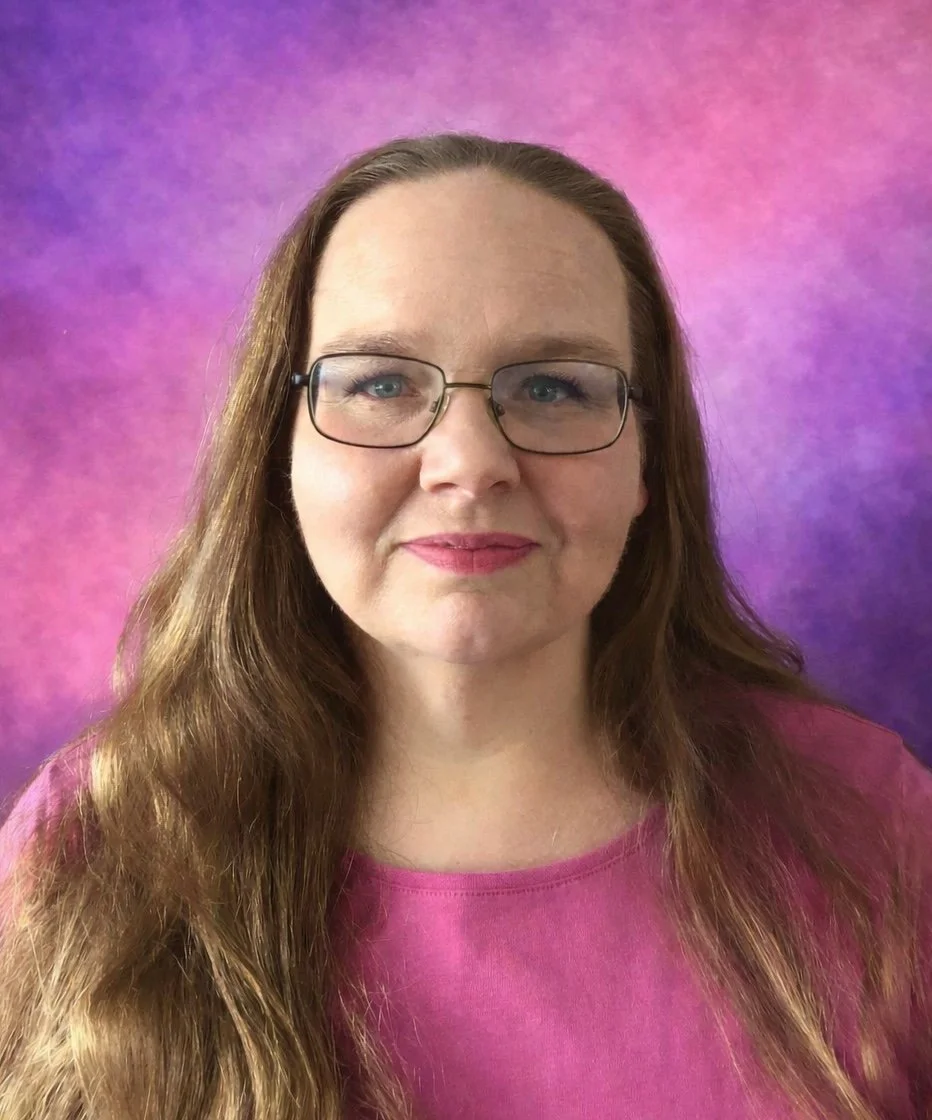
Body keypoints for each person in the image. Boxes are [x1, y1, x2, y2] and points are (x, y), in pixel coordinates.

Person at [0, 132, 929, 1120]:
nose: (468, 463)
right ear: (280, 451)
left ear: (645, 461)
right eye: (380, 382)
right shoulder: (96, 839)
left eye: (551, 387)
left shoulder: (870, 827)